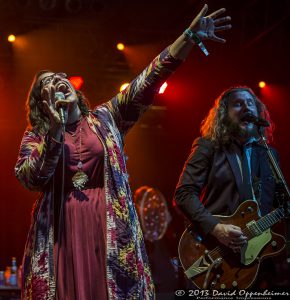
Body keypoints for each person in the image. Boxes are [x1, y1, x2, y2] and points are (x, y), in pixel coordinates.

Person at [15, 4, 231, 299]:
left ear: (74, 89)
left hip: (108, 226)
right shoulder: (37, 135)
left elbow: (149, 79)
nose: (55, 81)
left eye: (57, 76)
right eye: (46, 85)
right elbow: (31, 178)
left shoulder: (107, 117)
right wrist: (54, 131)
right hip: (60, 232)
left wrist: (189, 36)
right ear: (43, 104)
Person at [174, 86, 288, 288]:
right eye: (238, 104)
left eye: (251, 103)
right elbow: (183, 194)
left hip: (260, 260)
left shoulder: (268, 154)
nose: (246, 107)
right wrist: (217, 229)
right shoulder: (208, 147)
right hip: (216, 251)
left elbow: (280, 205)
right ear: (223, 114)